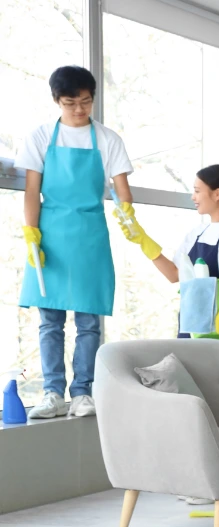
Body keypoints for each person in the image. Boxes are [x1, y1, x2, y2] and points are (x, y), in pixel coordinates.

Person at [17, 66, 134, 419]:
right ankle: (52, 392)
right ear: (57, 101)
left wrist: (130, 222)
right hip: (50, 235)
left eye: (85, 102)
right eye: (71, 103)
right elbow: (32, 191)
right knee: (50, 321)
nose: (79, 110)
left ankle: (83, 392)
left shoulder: (108, 140)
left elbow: (122, 191)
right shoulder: (40, 137)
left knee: (89, 322)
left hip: (90, 236)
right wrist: (31, 234)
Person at [117, 164, 219, 342]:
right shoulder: (198, 232)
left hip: (218, 331)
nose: (193, 197)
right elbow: (174, 274)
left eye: (197, 191)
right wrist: (144, 241)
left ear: (217, 194)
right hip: (191, 327)